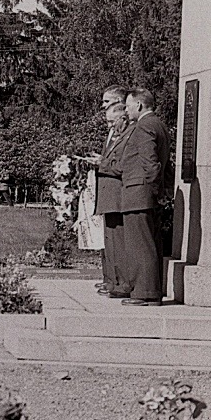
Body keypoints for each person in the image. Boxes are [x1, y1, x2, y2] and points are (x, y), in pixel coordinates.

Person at [115, 87, 169, 306]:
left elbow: (150, 163)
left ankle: (145, 292)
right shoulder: (158, 124)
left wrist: (152, 188)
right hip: (145, 192)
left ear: (138, 105)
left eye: (128, 106)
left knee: (140, 244)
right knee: (148, 242)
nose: (126, 111)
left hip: (139, 192)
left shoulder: (144, 126)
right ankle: (148, 289)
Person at [93, 89, 132, 296]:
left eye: (107, 102)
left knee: (118, 241)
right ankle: (112, 280)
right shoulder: (115, 132)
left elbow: (122, 164)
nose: (103, 105)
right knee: (109, 241)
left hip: (118, 194)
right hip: (109, 194)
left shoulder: (128, 133)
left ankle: (120, 283)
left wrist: (103, 164)